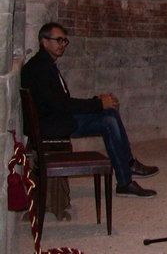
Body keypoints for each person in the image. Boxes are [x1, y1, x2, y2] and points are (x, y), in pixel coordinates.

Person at [21, 22, 159, 198]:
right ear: (44, 42)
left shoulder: (44, 63)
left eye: (65, 41)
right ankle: (125, 182)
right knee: (107, 122)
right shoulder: (39, 68)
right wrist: (98, 104)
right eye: (58, 40)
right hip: (50, 125)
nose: (62, 44)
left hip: (56, 117)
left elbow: (61, 102)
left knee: (111, 111)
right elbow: (62, 105)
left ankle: (129, 163)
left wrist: (98, 102)